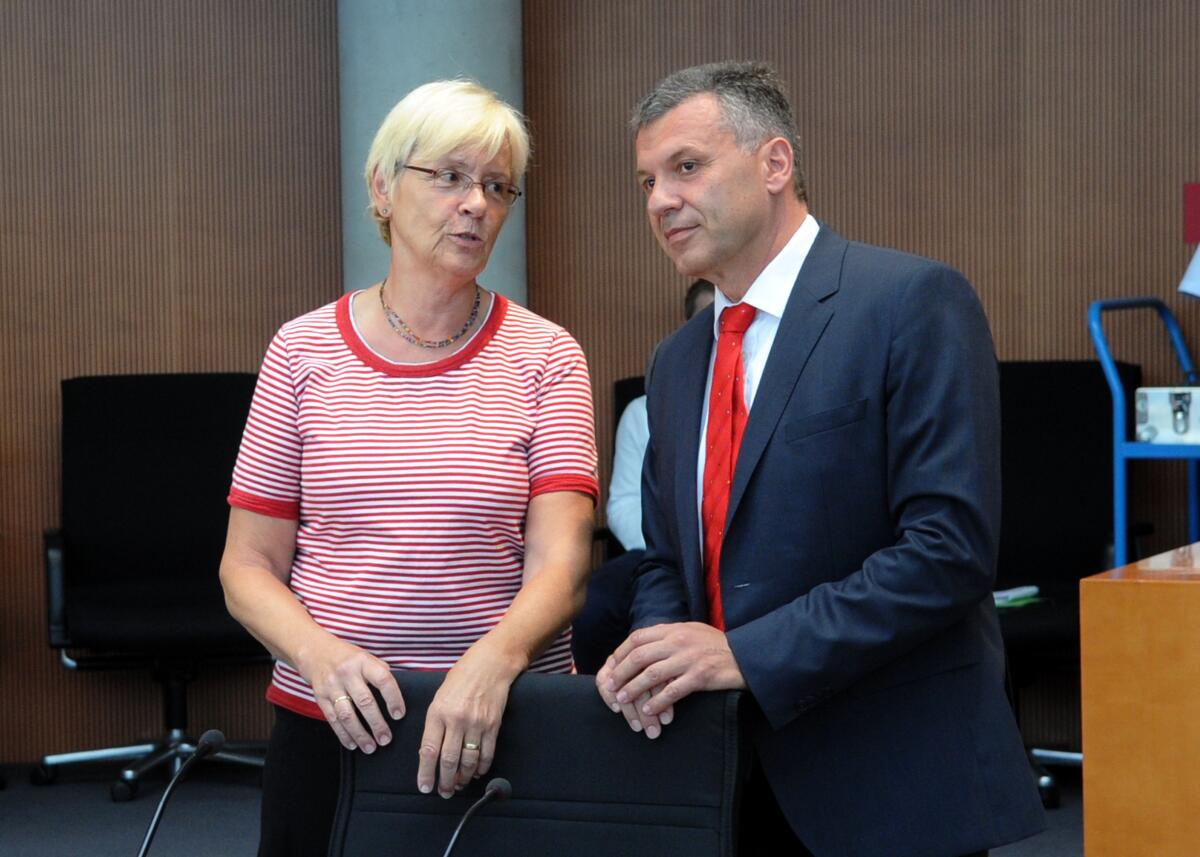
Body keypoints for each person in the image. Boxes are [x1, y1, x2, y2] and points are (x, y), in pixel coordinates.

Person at [596, 62, 1045, 857]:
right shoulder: (675, 361)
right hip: (726, 785)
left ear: (775, 164)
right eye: (646, 181)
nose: (661, 200)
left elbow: (948, 552)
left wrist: (744, 653)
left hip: (891, 785)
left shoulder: (911, 302)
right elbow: (668, 554)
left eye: (687, 167)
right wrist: (658, 654)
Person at [219, 79, 598, 856]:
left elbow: (562, 564)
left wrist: (492, 663)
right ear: (383, 187)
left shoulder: (546, 354)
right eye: (451, 175)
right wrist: (321, 657)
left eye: (497, 185)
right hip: (331, 723)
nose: (477, 204)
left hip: (507, 717)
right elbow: (247, 566)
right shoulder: (301, 351)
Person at [572, 278, 713, 673]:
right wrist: (683, 550)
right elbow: (624, 505)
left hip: (740, 555)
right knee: (594, 606)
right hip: (657, 552)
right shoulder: (644, 408)